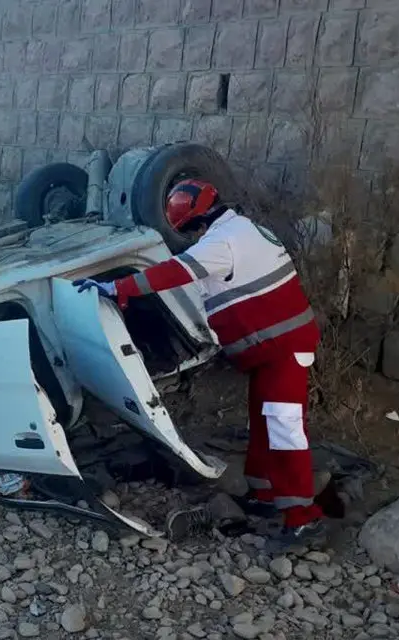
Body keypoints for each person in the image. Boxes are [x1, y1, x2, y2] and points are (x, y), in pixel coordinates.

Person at [72, 179, 325, 549]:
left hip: (281, 351)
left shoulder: (221, 244)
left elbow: (173, 273)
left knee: (285, 430)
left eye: (190, 230)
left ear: (195, 222)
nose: (193, 236)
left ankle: (303, 520)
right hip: (274, 350)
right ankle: (264, 495)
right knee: (263, 420)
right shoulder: (247, 229)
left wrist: (118, 288)